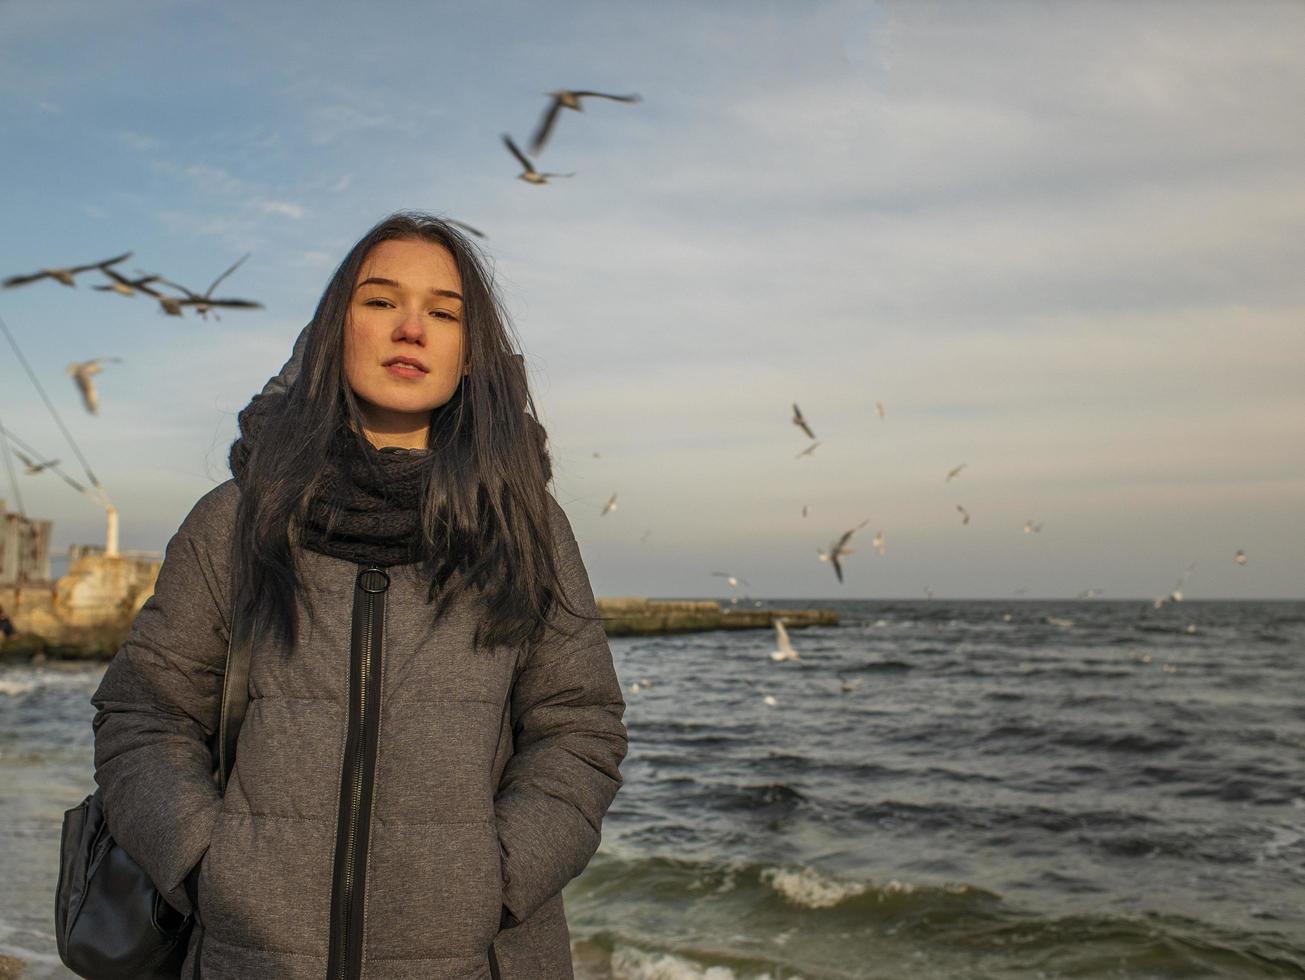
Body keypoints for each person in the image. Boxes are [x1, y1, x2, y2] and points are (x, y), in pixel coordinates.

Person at [89, 211, 629, 980]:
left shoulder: (526, 527)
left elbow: (580, 726)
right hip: (252, 958)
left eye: (443, 312)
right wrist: (209, 868)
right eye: (379, 302)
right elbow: (143, 711)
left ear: (470, 353)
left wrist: (500, 876)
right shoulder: (238, 517)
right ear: (331, 331)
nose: (411, 328)